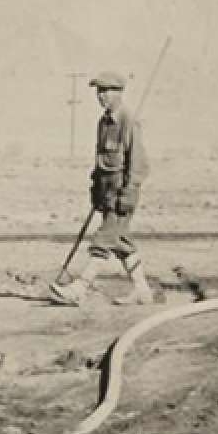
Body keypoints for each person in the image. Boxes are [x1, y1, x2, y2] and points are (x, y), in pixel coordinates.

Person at [49, 70, 153, 306]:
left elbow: (139, 163)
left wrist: (129, 193)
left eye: (106, 91)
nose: (101, 96)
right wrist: (96, 191)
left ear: (119, 92)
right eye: (99, 91)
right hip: (106, 192)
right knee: (122, 243)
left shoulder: (128, 121)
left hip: (121, 194)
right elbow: (101, 162)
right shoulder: (104, 123)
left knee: (104, 240)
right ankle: (142, 291)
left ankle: (80, 288)